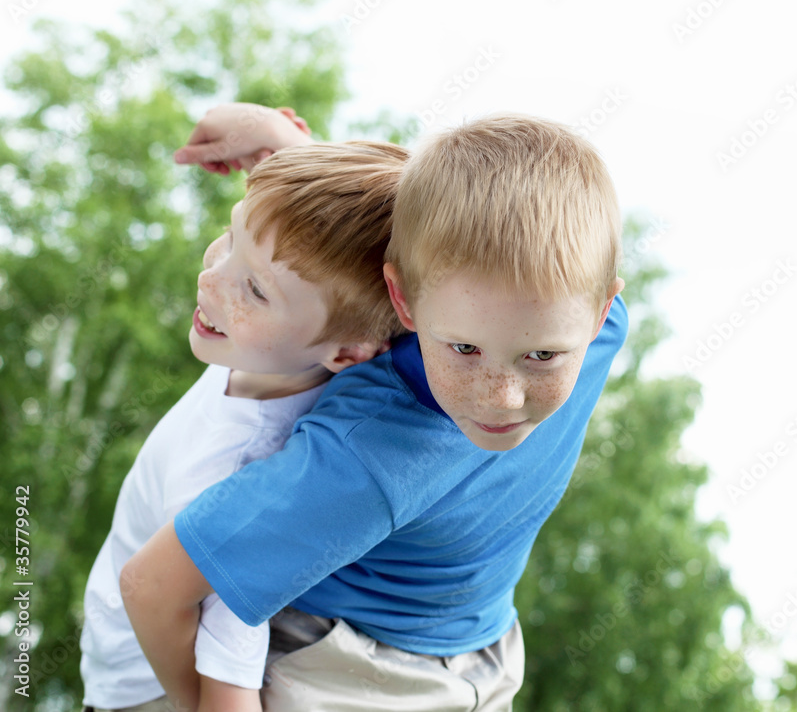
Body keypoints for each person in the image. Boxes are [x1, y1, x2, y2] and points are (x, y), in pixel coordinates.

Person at [123, 104, 628, 712]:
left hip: (487, 645)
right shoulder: (362, 456)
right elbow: (152, 586)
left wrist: (294, 149)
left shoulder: (586, 318)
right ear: (405, 303)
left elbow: (479, 215)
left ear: (602, 308)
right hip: (349, 672)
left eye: (543, 356)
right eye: (463, 349)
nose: (502, 398)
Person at [80, 116, 409, 712]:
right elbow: (311, 232)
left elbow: (227, 670)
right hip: (129, 671)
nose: (212, 278)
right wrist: (276, 142)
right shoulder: (308, 343)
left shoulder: (234, 476)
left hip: (140, 685)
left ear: (348, 354)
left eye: (254, 290)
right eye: (230, 237)